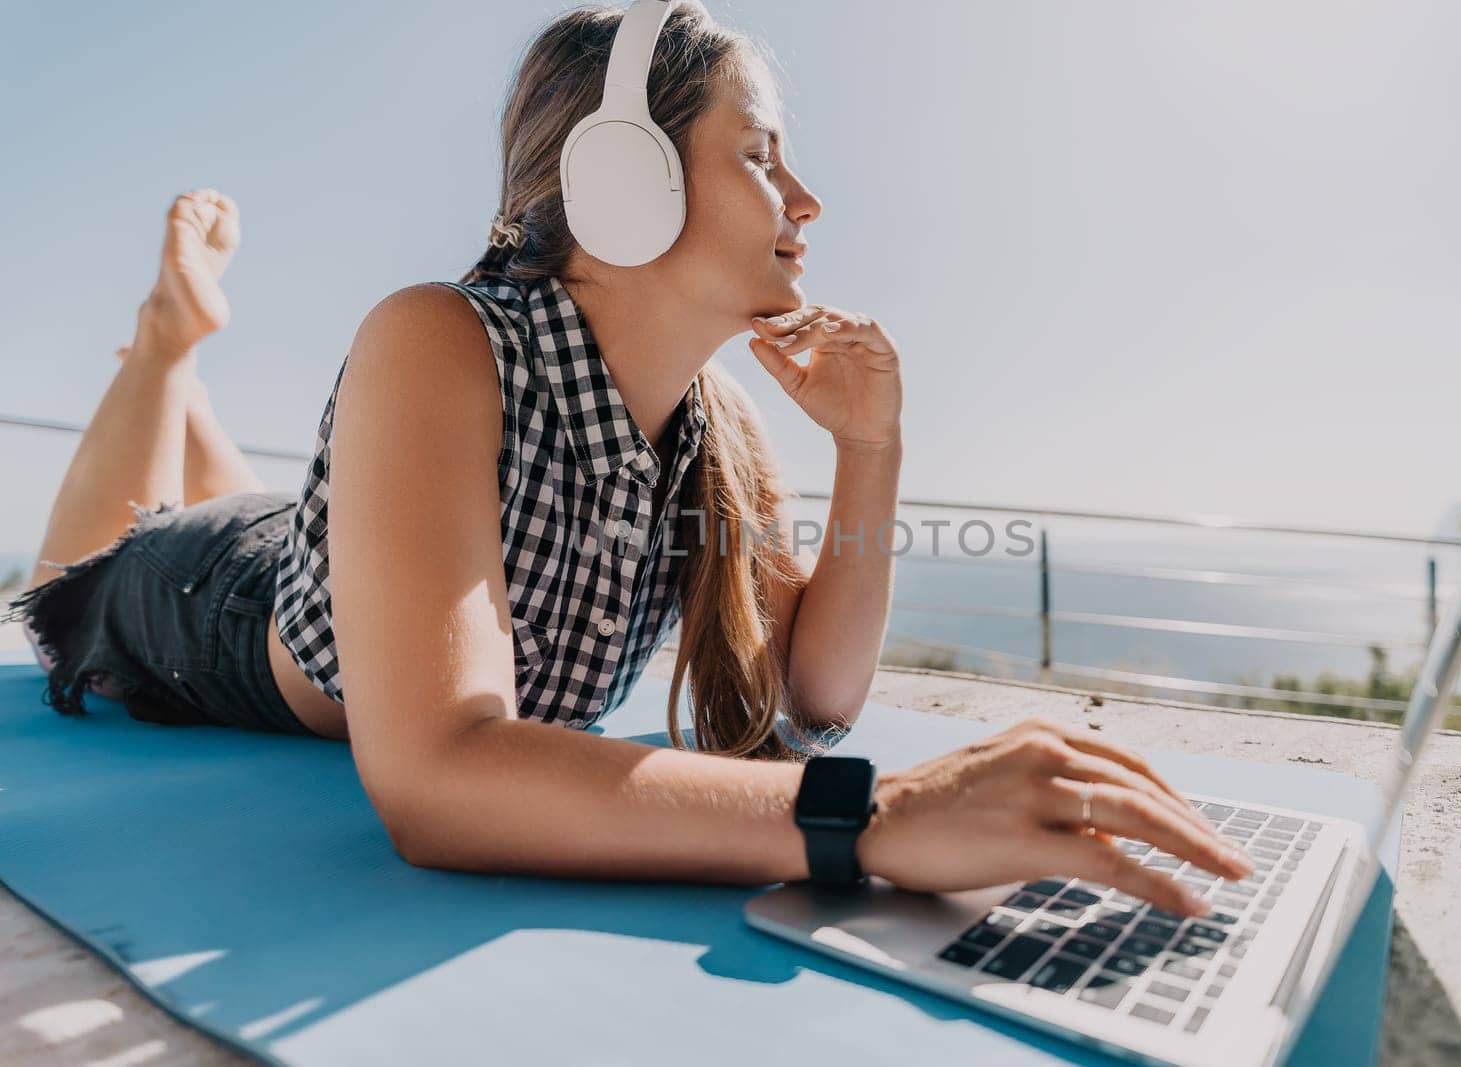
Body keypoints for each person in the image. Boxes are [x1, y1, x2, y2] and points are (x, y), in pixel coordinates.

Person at [2, 2, 1250, 906]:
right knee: (78, 563)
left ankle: (178, 369)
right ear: (624, 179)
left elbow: (817, 695)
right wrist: (874, 818)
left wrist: (872, 447)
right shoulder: (436, 338)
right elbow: (438, 779)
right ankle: (165, 349)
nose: (806, 202)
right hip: (208, 596)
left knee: (284, 516)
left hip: (335, 548)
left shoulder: (713, 432)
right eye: (761, 157)